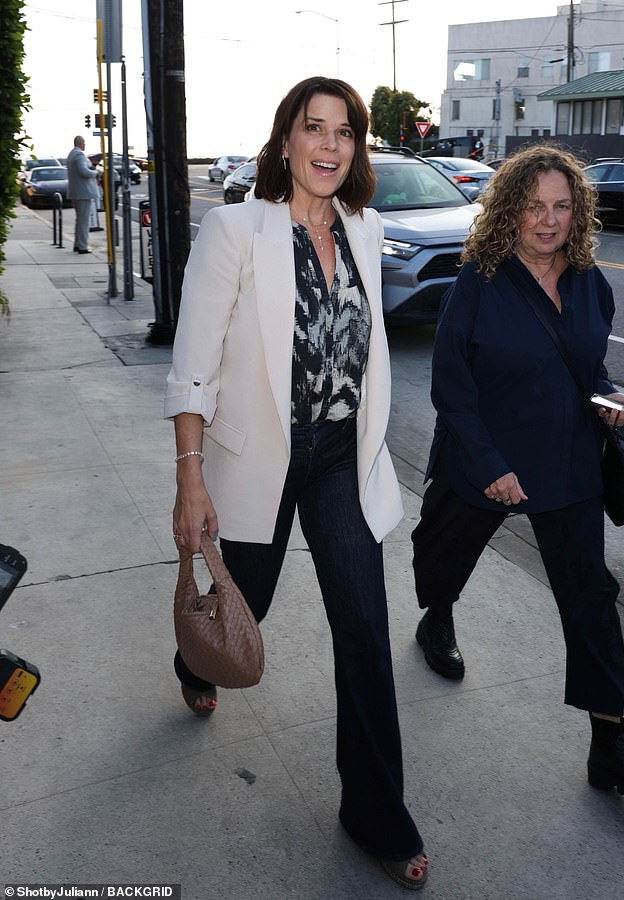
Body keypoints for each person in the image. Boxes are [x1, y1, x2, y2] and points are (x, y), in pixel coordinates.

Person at [165, 76, 429, 889]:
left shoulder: (366, 225)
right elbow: (192, 365)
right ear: (286, 140)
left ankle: (376, 813)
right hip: (258, 462)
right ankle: (195, 665)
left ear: (356, 149)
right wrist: (190, 480)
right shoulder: (236, 228)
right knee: (247, 606)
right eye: (314, 129)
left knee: (365, 634)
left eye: (344, 132)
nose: (329, 145)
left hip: (339, 461)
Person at [411, 143, 624, 804]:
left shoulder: (591, 281)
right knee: (445, 553)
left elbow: (585, 370)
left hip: (566, 461)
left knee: (590, 596)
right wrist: (489, 467)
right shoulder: (477, 281)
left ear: (577, 212)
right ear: (511, 208)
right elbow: (452, 387)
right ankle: (437, 616)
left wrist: (608, 401)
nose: (547, 219)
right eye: (534, 204)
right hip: (486, 457)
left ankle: (609, 742)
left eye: (562, 206)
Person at [66, 136, 98, 254]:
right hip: (83, 192)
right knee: (84, 221)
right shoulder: (79, 155)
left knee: (79, 219)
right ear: (81, 143)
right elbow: (83, 171)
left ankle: (77, 244)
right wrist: (95, 173)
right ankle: (82, 246)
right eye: (84, 143)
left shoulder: (71, 154)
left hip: (76, 192)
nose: (85, 145)